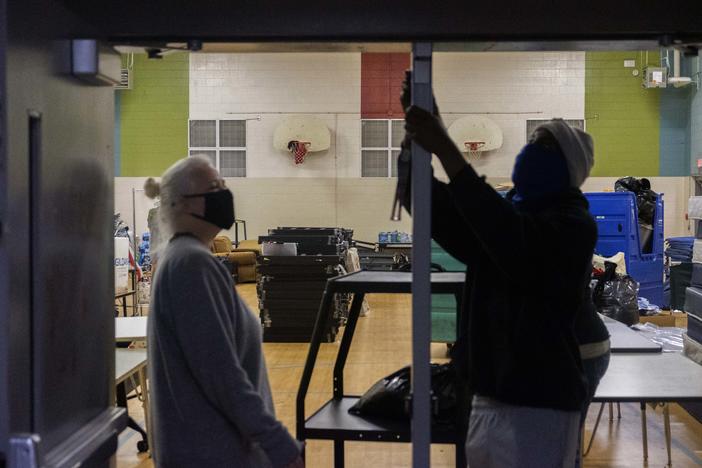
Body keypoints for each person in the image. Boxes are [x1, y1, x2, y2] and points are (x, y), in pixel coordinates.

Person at [400, 79, 601, 467]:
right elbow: (439, 211)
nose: (529, 152)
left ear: (567, 166)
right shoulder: (513, 213)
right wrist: (416, 144)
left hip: (540, 406)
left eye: (544, 146)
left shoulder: (572, 224)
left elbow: (508, 238)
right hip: (486, 396)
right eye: (532, 142)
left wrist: (444, 145)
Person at [145, 156, 303, 468]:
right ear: (182, 204)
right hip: (213, 454)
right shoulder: (191, 264)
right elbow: (222, 374)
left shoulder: (185, 259)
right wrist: (279, 445)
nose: (224, 194)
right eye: (214, 188)